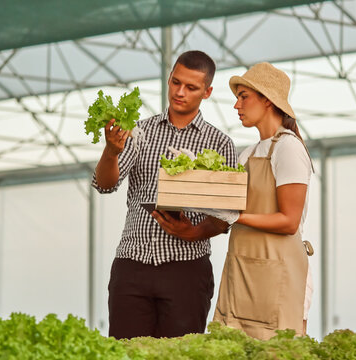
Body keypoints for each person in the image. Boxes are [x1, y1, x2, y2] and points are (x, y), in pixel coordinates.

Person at [92, 50, 237, 339]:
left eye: (191, 87)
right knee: (125, 354)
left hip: (187, 269)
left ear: (207, 92)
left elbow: (225, 217)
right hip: (132, 264)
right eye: (175, 82)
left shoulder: (221, 143)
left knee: (179, 355)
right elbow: (105, 184)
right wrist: (111, 151)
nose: (179, 92)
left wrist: (192, 232)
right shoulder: (140, 131)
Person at [212, 62, 314, 340]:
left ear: (267, 100)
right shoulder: (248, 154)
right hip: (243, 272)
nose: (236, 105)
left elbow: (289, 221)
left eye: (243, 96)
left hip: (277, 276)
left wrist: (236, 217)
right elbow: (229, 207)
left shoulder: (289, 148)